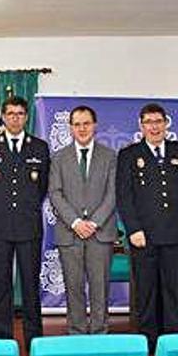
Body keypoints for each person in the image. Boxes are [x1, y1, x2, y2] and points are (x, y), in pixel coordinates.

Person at [116, 103, 178, 351]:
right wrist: (133, 229)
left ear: (166, 123)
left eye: (158, 121)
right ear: (141, 125)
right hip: (143, 235)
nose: (154, 126)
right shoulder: (128, 155)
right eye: (148, 122)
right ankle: (147, 341)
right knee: (146, 292)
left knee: (174, 291)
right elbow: (124, 197)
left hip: (175, 233)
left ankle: (173, 340)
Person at [0, 96, 50, 350]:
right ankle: (3, 340)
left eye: (20, 113)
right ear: (4, 116)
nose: (15, 118)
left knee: (30, 285)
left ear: (26, 117)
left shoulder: (39, 148)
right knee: (1, 285)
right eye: (10, 114)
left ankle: (34, 339)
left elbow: (41, 188)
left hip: (29, 227)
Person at [48, 105, 117, 334]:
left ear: (95, 126)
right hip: (70, 233)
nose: (82, 128)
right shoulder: (58, 158)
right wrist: (76, 223)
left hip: (101, 232)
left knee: (100, 288)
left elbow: (113, 193)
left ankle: (100, 333)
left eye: (86, 123)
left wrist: (94, 223)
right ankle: (76, 333)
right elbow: (55, 193)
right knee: (73, 288)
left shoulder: (110, 156)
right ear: (70, 128)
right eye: (77, 124)